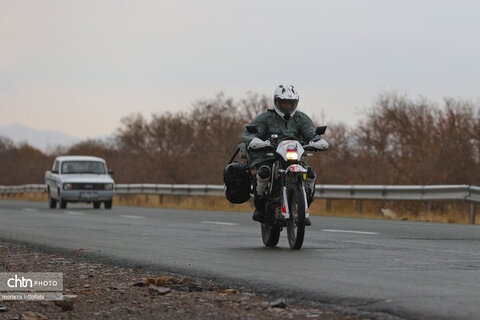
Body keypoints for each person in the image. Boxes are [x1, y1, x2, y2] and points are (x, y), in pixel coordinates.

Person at [241, 84, 322, 224]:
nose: (287, 106)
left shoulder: (301, 118)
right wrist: (256, 141)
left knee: (310, 174)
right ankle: (259, 205)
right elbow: (251, 133)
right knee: (264, 173)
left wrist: (318, 142)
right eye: (284, 102)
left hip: (294, 156)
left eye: (290, 103)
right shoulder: (266, 117)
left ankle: (304, 205)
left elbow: (312, 134)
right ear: (277, 101)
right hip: (270, 155)